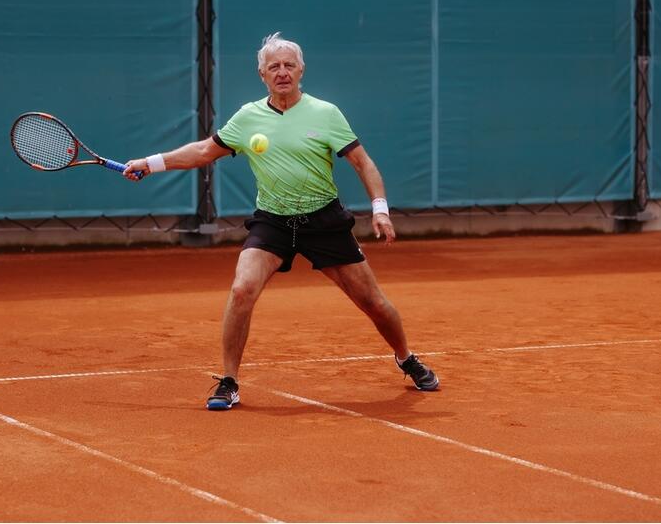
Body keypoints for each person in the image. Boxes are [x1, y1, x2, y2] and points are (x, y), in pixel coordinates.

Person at [123, 32, 439, 410]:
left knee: (372, 301)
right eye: (274, 66)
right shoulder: (247, 117)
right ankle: (228, 381)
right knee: (242, 290)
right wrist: (150, 163)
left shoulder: (325, 113)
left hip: (323, 220)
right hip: (272, 221)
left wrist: (381, 209)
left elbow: (362, 162)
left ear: (301, 70)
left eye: (289, 65)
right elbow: (204, 152)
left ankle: (406, 357)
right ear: (262, 74)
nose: (283, 72)